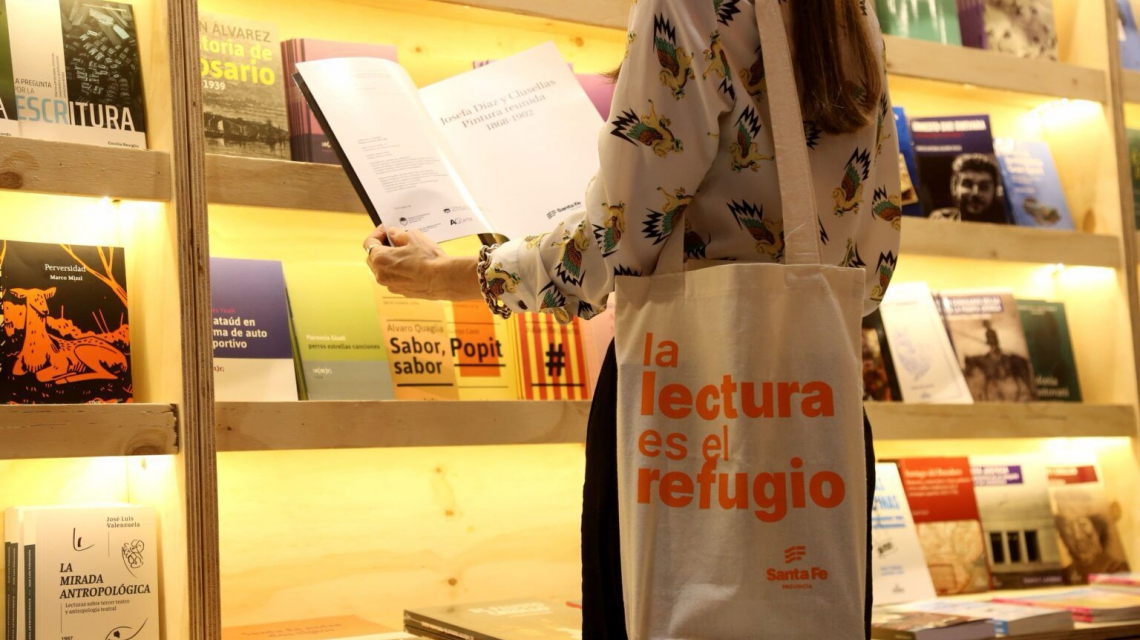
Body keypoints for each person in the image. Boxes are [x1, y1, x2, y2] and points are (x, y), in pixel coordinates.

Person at [363, 1, 902, 637]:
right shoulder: (852, 12)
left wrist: (450, 275)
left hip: (687, 399)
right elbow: (874, 265)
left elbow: (616, 240)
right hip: (819, 403)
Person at [929, 153, 1006, 223]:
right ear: (954, 187)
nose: (975, 193)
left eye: (984, 187)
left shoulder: (1006, 226)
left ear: (995, 191)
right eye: (967, 185)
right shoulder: (939, 220)